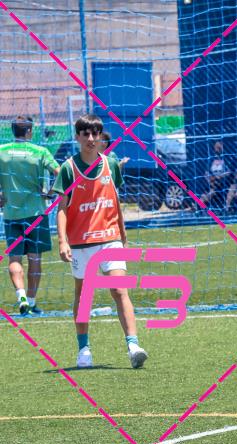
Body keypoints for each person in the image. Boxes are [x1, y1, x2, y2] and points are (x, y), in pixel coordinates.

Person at [52, 114, 148, 369]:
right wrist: (62, 241)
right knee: (84, 296)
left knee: (119, 289)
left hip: (109, 238)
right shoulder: (68, 169)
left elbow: (115, 201)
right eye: (86, 134)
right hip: (80, 243)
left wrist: (123, 234)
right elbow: (61, 209)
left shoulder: (111, 165)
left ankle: (134, 346)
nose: (91, 139)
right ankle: (83, 349)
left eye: (95, 134)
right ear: (77, 137)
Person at [0, 116, 60, 315]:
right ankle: (32, 302)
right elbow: (59, 172)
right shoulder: (40, 151)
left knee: (14, 258)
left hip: (11, 214)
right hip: (36, 214)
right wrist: (51, 192)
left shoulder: (2, 151)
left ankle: (22, 298)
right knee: (35, 259)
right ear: (29, 131)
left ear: (13, 131)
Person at [206, 141, 231, 213]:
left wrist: (218, 177)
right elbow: (206, 172)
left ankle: (224, 210)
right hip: (212, 182)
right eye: (216, 147)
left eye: (219, 147)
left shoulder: (226, 157)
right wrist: (209, 179)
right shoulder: (211, 158)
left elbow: (229, 171)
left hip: (223, 182)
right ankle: (199, 209)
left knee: (213, 191)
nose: (217, 149)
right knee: (205, 194)